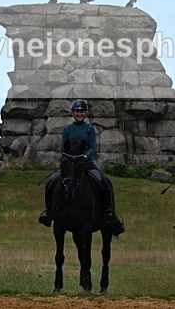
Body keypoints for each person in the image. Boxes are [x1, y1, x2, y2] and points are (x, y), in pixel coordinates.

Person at [37, 99, 125, 235]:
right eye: (77, 111)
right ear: (73, 112)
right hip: (70, 165)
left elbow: (92, 147)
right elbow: (63, 147)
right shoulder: (67, 129)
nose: (79, 113)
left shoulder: (90, 129)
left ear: (85, 113)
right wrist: (69, 159)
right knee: (51, 181)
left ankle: (108, 212)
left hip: (86, 163)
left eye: (82, 111)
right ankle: (49, 212)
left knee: (103, 181)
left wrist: (84, 157)